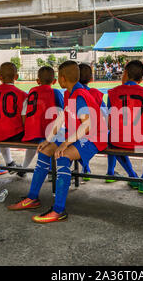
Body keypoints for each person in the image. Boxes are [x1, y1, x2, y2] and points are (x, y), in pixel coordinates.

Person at [7, 61, 107, 223]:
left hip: (94, 137)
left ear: (62, 78)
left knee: (62, 155)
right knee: (45, 150)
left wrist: (65, 143)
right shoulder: (69, 93)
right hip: (77, 133)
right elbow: (61, 118)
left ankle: (59, 210)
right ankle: (33, 198)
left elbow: (88, 126)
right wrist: (48, 139)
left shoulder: (80, 95)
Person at [107, 60, 143, 194]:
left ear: (126, 73)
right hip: (142, 141)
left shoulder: (112, 92)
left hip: (118, 140)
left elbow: (109, 120)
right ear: (140, 79)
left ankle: (132, 176)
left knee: (113, 139)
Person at [18, 66, 64, 178]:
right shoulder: (55, 93)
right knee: (61, 139)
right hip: (46, 133)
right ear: (54, 81)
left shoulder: (31, 92)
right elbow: (63, 113)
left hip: (31, 132)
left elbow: (24, 113)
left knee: (35, 143)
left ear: (38, 81)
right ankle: (52, 172)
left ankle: (24, 167)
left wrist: (28, 128)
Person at [0, 62, 27, 172]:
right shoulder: (22, 94)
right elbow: (24, 119)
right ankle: (23, 167)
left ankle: (9, 162)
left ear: (0, 77)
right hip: (13, 134)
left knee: (1, 129)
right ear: (16, 77)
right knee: (15, 130)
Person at [77, 63, 114, 182]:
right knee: (112, 138)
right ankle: (110, 173)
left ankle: (86, 169)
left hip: (78, 134)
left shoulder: (72, 93)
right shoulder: (95, 93)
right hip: (94, 135)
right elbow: (105, 113)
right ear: (91, 78)